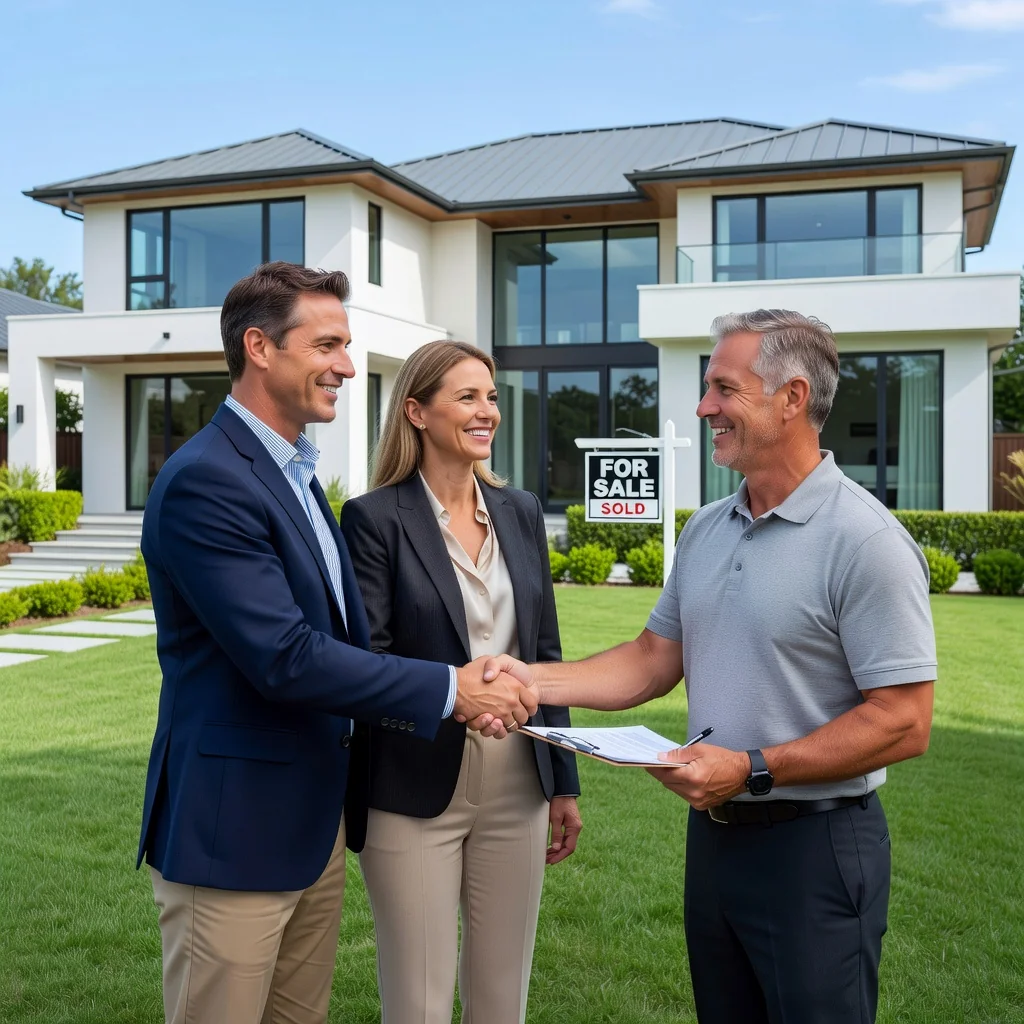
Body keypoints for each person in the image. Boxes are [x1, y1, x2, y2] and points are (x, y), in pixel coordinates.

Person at [485, 309, 937, 1024]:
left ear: (792, 398)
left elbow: (905, 723)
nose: (704, 408)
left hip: (815, 848)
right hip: (717, 844)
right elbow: (650, 661)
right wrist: (527, 679)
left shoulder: (865, 541)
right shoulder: (707, 528)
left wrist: (752, 768)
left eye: (724, 389)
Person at [138, 263, 536, 1024]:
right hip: (235, 834)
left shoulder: (295, 475)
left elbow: (342, 640)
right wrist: (452, 689)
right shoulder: (208, 480)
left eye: (347, 346)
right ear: (259, 346)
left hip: (311, 824)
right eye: (327, 345)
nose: (347, 366)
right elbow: (284, 656)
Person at [340, 340, 583, 1024]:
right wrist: (458, 697)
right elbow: (369, 658)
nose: (488, 412)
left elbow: (545, 652)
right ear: (416, 411)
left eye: (493, 397)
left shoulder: (522, 511)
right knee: (418, 1001)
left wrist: (562, 783)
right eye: (468, 397)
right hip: (412, 783)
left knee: (503, 998)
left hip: (520, 781)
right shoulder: (374, 519)